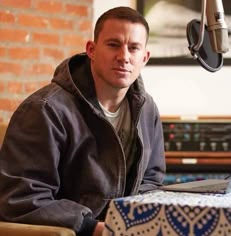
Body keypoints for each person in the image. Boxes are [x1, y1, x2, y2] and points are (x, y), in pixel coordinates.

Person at [0, 6, 166, 236]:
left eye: (134, 48)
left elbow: (151, 181)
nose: (124, 57)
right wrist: (93, 228)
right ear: (91, 50)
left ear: (144, 57)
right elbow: (20, 197)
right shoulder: (44, 109)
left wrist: (141, 222)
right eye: (113, 44)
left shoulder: (147, 109)